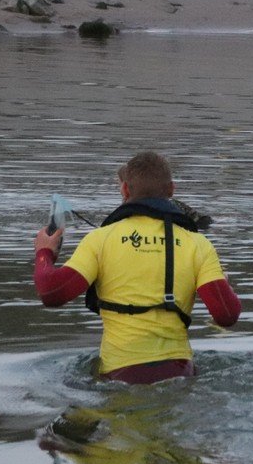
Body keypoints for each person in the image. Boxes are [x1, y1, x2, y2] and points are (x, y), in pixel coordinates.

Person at [34, 151, 241, 384]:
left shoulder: (100, 240)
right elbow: (226, 315)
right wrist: (224, 286)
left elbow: (51, 294)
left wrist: (45, 252)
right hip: (180, 375)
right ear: (172, 190)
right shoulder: (199, 245)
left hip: (119, 377)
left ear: (124, 191)